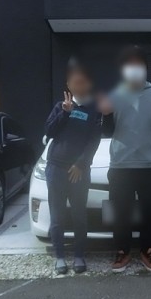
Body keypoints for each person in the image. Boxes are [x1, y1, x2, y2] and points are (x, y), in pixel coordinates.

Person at [98, 45, 151, 273]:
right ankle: (122, 250)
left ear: (145, 68)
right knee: (120, 212)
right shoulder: (114, 95)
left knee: (150, 213)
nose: (134, 69)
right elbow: (107, 132)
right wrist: (106, 115)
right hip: (121, 166)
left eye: (138, 65)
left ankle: (148, 250)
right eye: (129, 65)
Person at [44, 60, 102, 274]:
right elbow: (49, 131)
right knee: (57, 215)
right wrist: (65, 113)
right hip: (56, 170)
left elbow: (94, 140)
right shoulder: (60, 107)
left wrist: (81, 164)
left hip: (79, 172)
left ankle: (79, 255)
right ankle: (59, 256)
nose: (78, 85)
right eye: (74, 82)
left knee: (79, 215)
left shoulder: (94, 110)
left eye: (82, 82)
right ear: (68, 85)